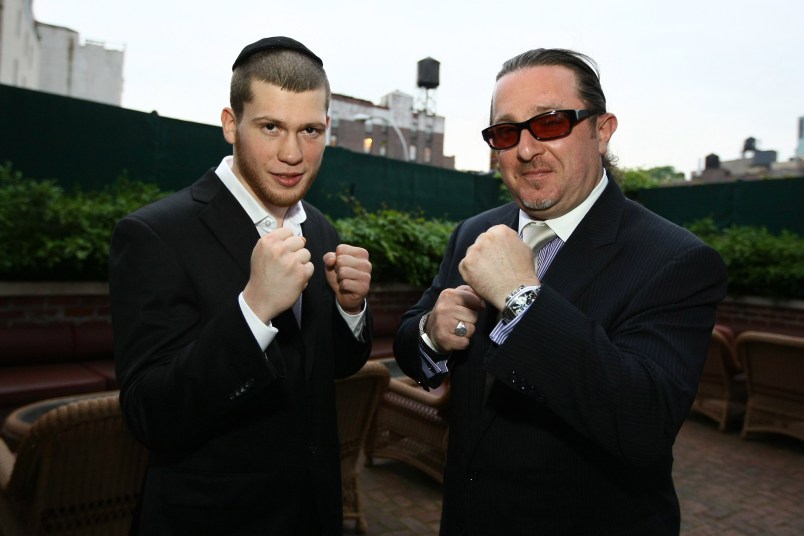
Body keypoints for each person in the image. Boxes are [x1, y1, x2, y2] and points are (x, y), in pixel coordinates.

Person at [393, 48, 728, 535]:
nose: (526, 149)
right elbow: (412, 349)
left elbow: (644, 426)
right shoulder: (474, 233)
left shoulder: (675, 260)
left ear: (602, 129)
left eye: (550, 123)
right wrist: (430, 334)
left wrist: (522, 299)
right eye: (506, 132)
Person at [109, 36, 373, 535]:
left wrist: (351, 309)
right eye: (271, 127)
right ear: (231, 124)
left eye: (310, 130)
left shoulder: (319, 229)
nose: (292, 153)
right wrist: (252, 312)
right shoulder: (155, 234)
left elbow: (334, 366)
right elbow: (149, 415)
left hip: (312, 512)